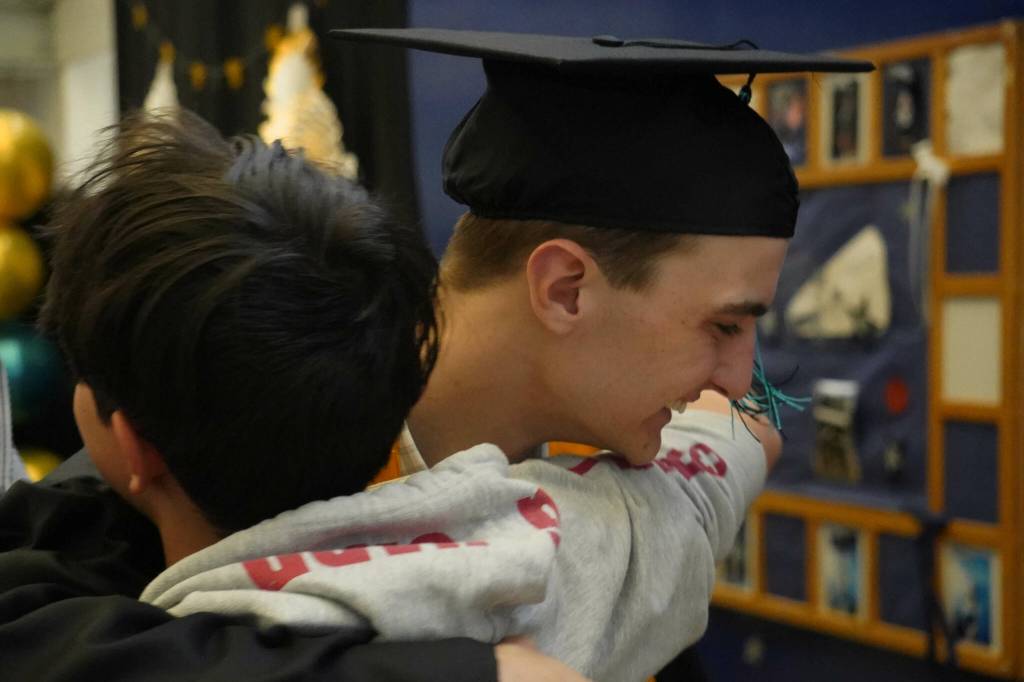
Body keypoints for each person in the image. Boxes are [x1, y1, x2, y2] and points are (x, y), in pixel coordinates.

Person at [0, 28, 871, 682]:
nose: (737, 376)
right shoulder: (242, 404)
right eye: (723, 326)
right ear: (565, 288)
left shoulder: (618, 502)